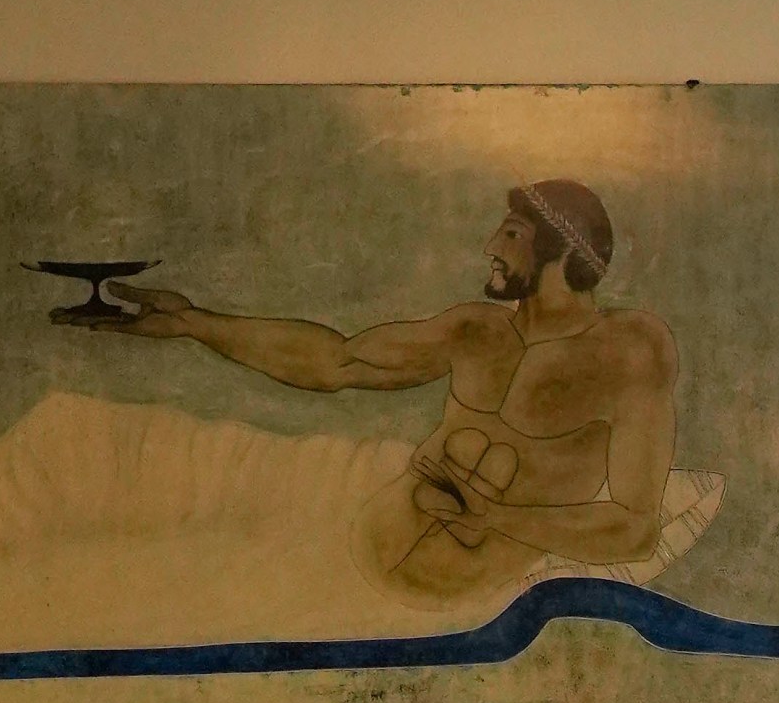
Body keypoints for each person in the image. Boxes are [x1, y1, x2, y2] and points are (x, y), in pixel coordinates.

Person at [88, 182, 684, 597]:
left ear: (558, 248)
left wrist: (498, 516)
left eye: (510, 234)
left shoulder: (629, 350)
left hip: (463, 597)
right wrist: (192, 322)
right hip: (366, 549)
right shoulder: (475, 329)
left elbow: (635, 529)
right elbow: (336, 362)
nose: (489, 249)